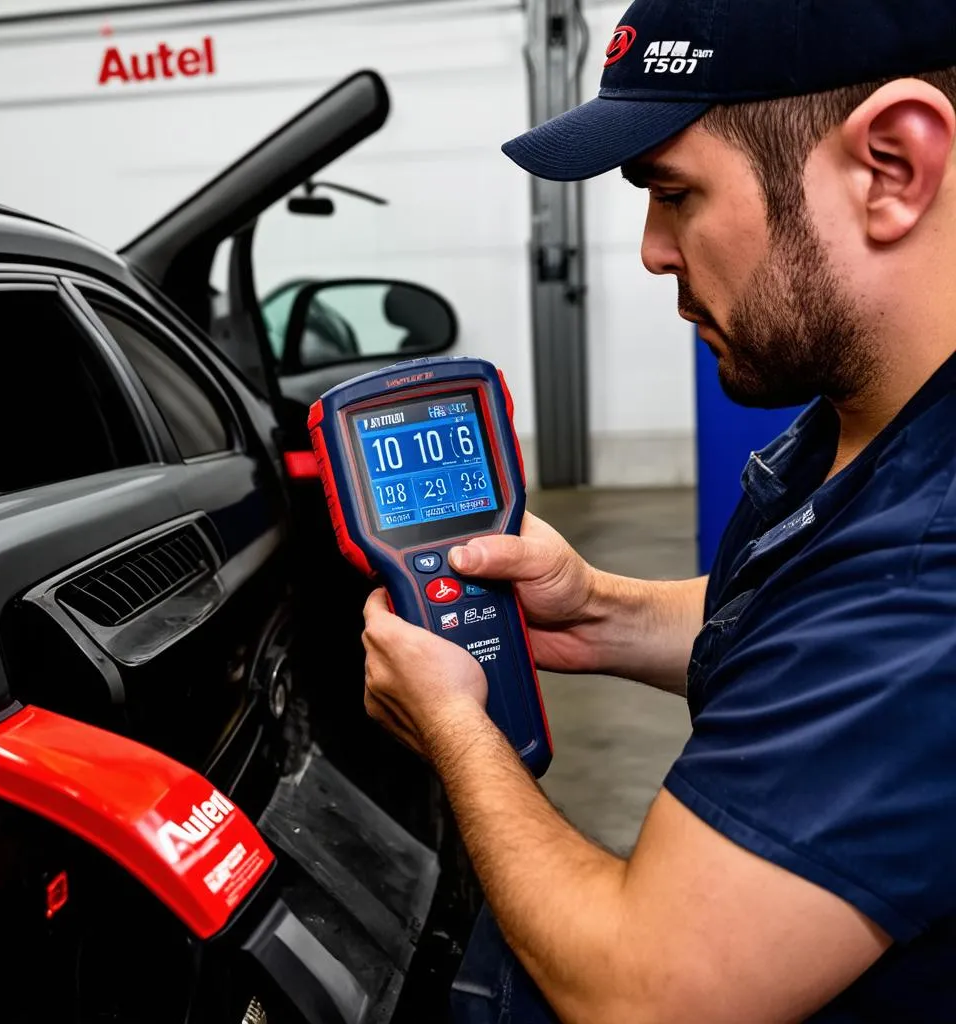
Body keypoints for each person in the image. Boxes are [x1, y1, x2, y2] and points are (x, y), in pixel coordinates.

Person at [361, 0, 956, 1020]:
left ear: (892, 165)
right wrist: (600, 612)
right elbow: (808, 629)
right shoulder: (865, 421)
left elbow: (639, 990)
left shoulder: (932, 566)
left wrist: (460, 728)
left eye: (673, 192)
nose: (649, 250)